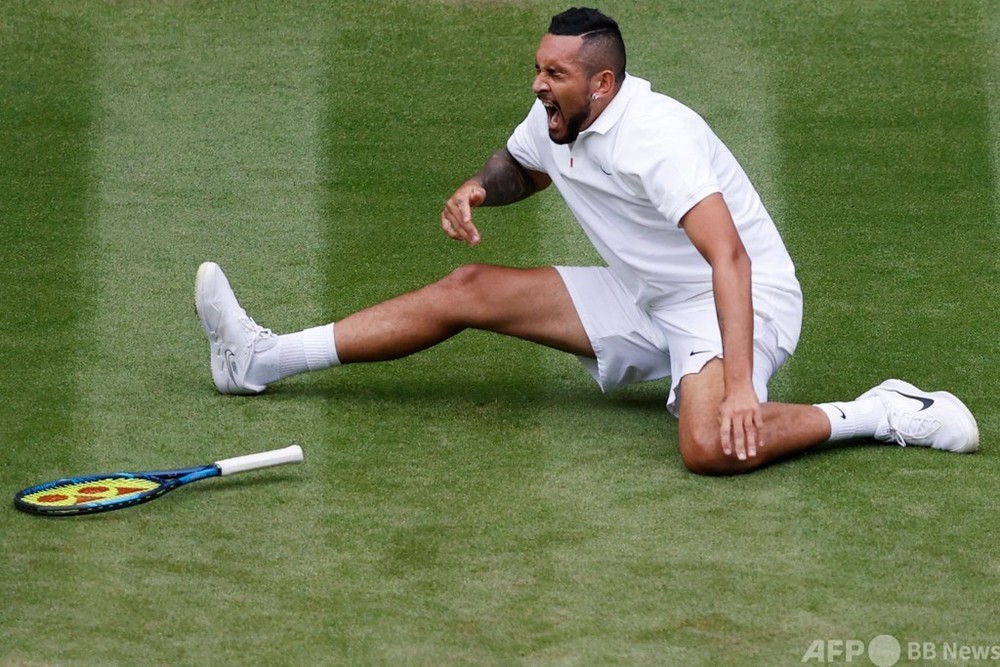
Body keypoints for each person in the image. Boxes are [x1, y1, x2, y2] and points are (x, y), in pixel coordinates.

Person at [194, 7, 979, 475]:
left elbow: (729, 257)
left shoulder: (657, 139)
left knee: (708, 444)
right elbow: (524, 167)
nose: (539, 85)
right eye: (537, 69)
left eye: (555, 74)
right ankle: (259, 358)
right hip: (644, 293)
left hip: (732, 299)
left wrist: (740, 383)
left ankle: (878, 411)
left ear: (601, 83)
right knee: (469, 286)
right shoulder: (558, 116)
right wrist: (479, 186)